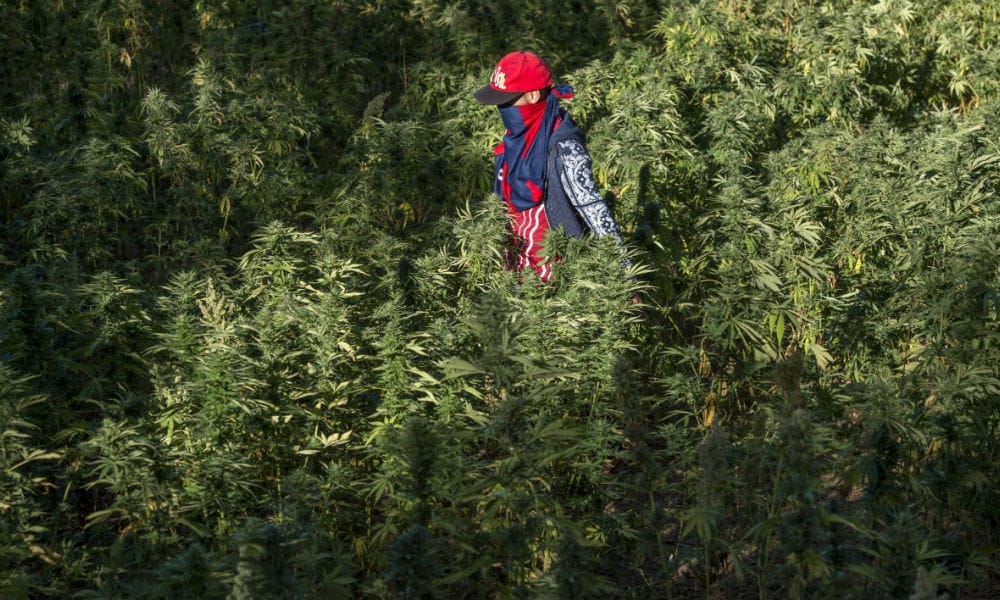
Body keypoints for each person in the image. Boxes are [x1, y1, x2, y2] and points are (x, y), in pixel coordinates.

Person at [474, 50, 627, 282]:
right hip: (517, 275)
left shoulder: (563, 146)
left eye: (507, 101)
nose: (502, 109)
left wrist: (625, 276)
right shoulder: (512, 141)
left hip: (558, 277)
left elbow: (594, 209)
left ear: (533, 95)